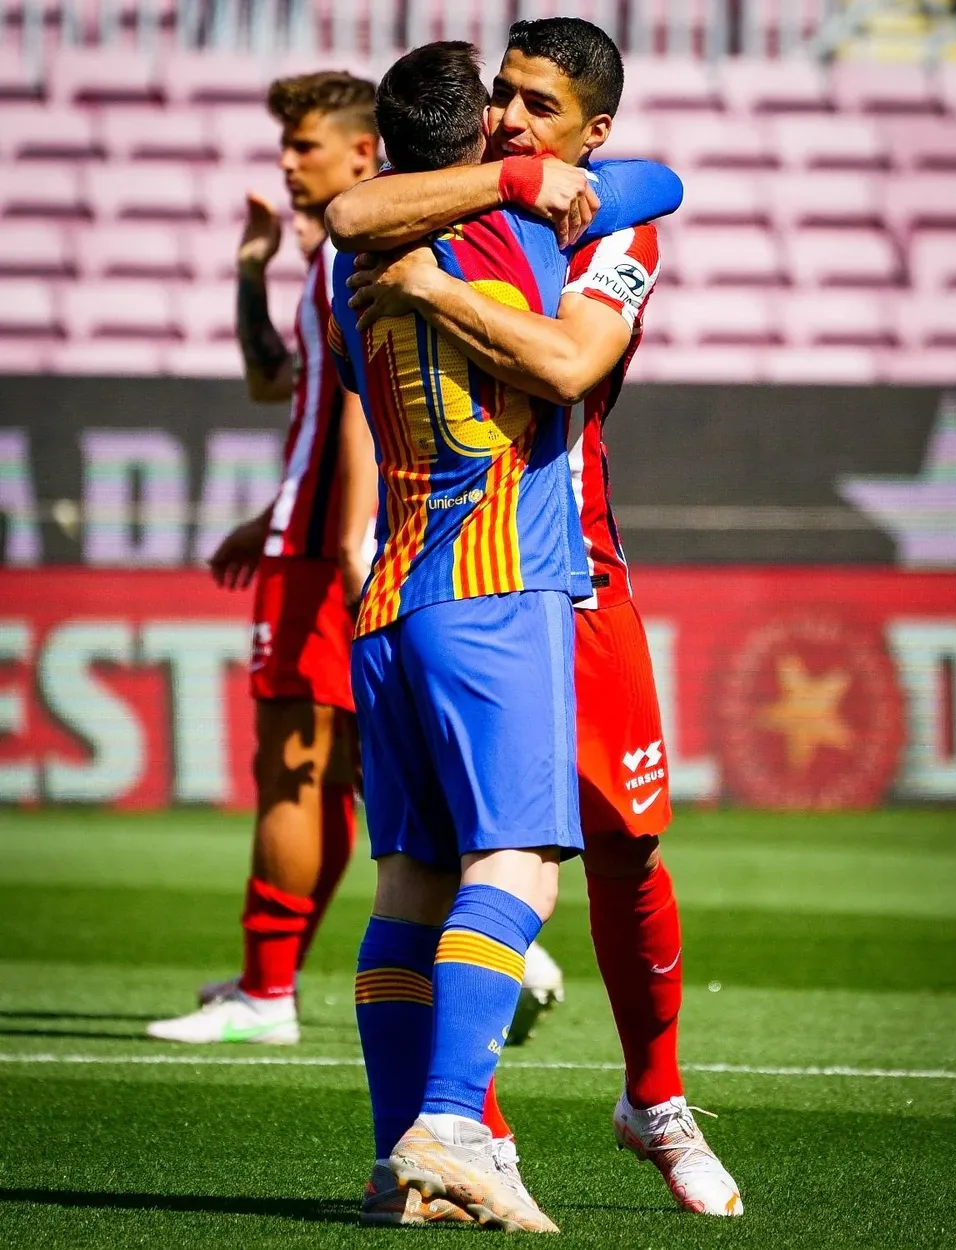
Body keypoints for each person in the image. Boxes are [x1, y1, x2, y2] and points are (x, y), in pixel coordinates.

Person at [333, 17, 742, 1219]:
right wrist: (528, 182)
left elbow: (359, 218)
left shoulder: (379, 237)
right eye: (499, 102)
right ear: (472, 133)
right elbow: (565, 368)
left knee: (426, 875)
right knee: (519, 860)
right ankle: (460, 1122)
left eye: (537, 107)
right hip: (504, 574)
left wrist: (443, 245)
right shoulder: (514, 223)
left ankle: (421, 1150)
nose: (515, 121)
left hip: (395, 592)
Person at [147, 72, 379, 1046]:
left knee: (295, 764)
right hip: (310, 536)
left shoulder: (357, 255)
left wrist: (344, 539)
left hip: (325, 555)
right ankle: (270, 980)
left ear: (365, 154)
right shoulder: (333, 258)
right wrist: (253, 264)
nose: (288, 164)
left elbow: (364, 410)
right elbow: (278, 386)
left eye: (307, 146)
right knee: (342, 768)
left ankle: (268, 990)